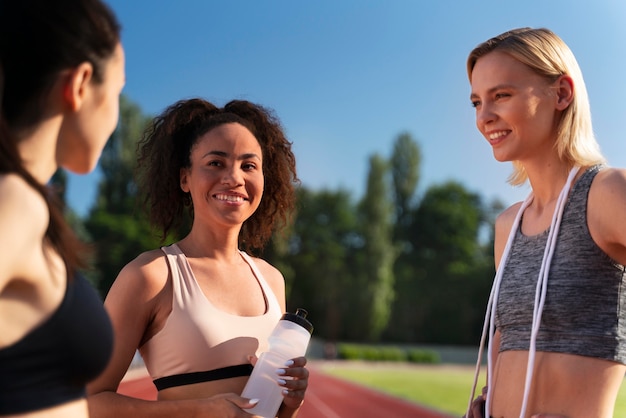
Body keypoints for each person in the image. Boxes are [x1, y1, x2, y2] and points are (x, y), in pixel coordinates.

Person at [87, 98, 309, 418]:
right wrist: (197, 411)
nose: (234, 177)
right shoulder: (150, 276)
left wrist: (290, 403)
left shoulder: (272, 279)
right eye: (216, 163)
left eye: (249, 165)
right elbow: (87, 402)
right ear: (184, 178)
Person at [465, 27, 626, 418]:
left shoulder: (606, 193)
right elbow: (509, 338)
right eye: (476, 102)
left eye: (501, 95)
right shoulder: (508, 224)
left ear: (562, 93)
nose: (485, 117)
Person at [0, 0, 125, 417]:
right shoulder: (16, 202)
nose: (116, 115)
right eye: (118, 93)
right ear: (81, 85)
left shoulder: (26, 201)